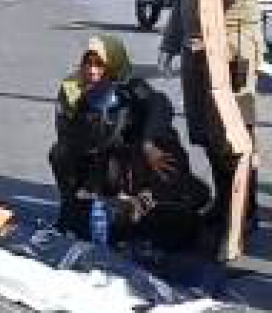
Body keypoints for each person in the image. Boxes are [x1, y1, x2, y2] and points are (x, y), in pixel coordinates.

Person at [160, 0, 267, 247]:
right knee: (206, 134)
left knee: (235, 136)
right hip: (197, 49)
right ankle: (223, 204)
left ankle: (243, 214)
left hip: (233, 49)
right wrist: (170, 45)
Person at [51, 36, 209, 251]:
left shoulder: (132, 87)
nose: (92, 70)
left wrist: (147, 142)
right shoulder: (72, 88)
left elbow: (160, 104)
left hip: (138, 166)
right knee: (61, 155)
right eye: (88, 63)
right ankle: (73, 206)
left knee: (162, 156)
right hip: (100, 159)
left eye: (99, 64)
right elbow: (67, 131)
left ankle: (157, 206)